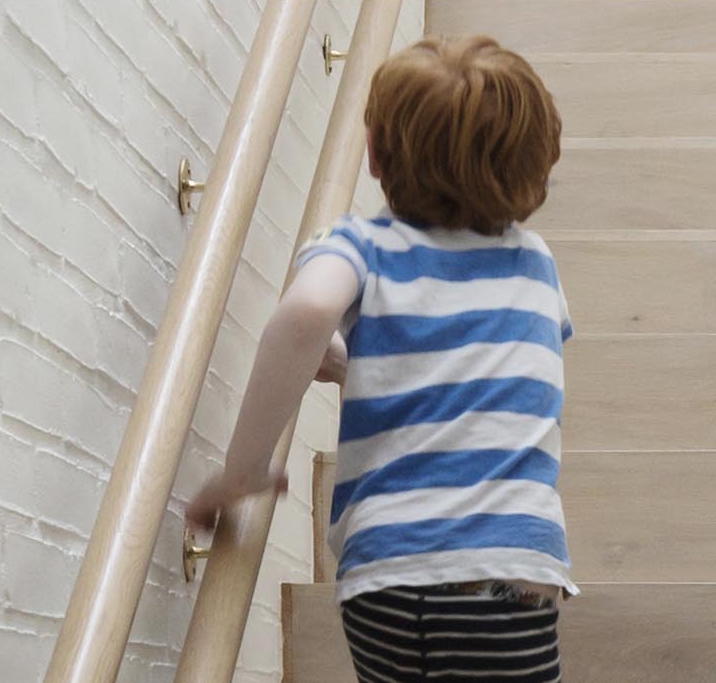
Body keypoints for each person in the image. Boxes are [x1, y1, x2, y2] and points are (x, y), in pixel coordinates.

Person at [186, 35, 578, 683]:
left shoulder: (361, 242)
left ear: (372, 153)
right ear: (535, 162)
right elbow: (487, 376)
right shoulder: (535, 262)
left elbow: (307, 311)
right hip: (513, 569)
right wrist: (354, 363)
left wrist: (242, 470)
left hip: (391, 572)